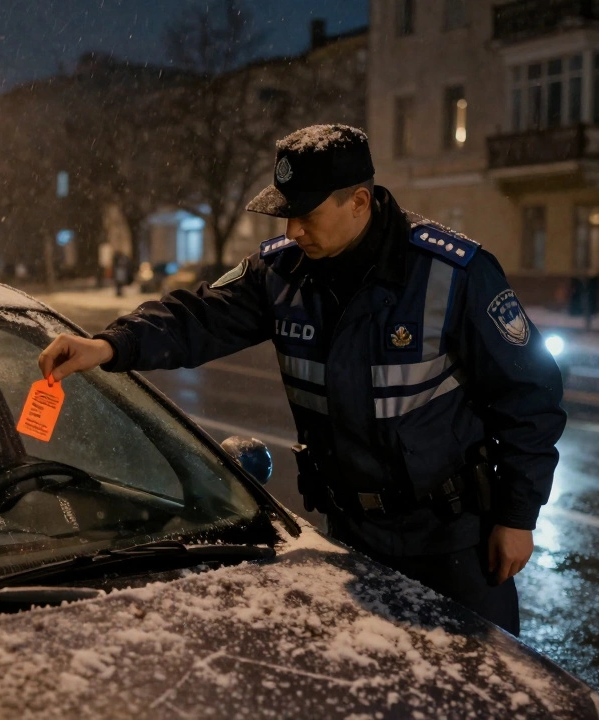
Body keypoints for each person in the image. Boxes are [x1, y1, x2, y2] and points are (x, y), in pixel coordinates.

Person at [37, 124, 566, 634]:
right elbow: (197, 317)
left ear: (358, 202)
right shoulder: (281, 273)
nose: (292, 230)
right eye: (286, 214)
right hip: (352, 539)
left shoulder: (452, 274)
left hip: (453, 542)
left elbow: (530, 399)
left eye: (306, 215)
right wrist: (109, 344)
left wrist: (517, 518)